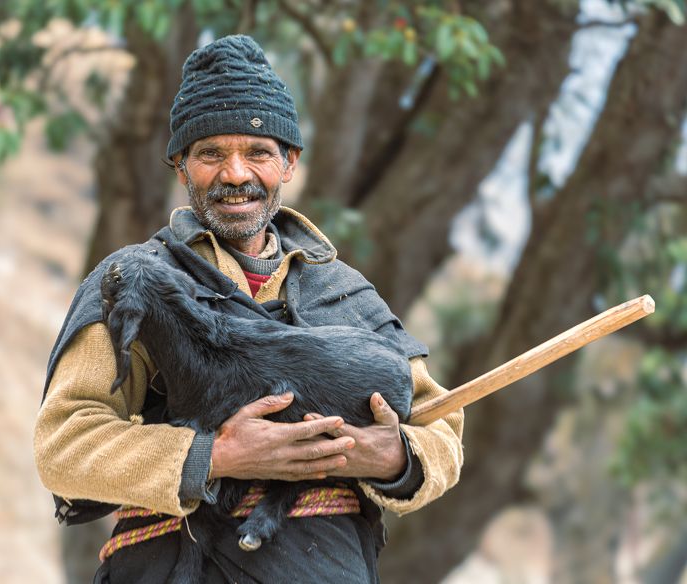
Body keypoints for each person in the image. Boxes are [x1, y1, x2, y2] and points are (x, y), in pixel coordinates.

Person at [34, 34, 464, 583]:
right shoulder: (137, 282)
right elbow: (64, 446)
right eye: (211, 154)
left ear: (288, 162)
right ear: (180, 165)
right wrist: (216, 455)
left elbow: (443, 429)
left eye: (258, 152)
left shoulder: (347, 292)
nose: (236, 174)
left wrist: (392, 458)